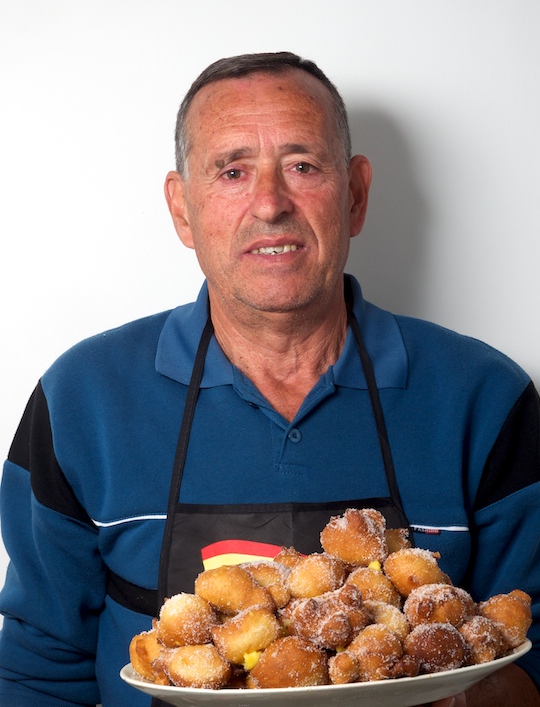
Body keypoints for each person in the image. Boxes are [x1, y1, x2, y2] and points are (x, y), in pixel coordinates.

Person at [0, 52, 538, 707]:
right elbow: (37, 669)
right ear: (182, 209)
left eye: (302, 166)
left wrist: (455, 696)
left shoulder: (484, 398)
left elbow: (536, 652)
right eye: (232, 171)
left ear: (356, 194)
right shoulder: (80, 401)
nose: (270, 204)